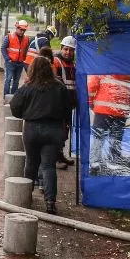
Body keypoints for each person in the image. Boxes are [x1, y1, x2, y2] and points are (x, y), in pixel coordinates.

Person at [9, 55, 73, 213]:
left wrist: (25, 114)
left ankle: (26, 195)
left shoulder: (28, 87)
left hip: (31, 128)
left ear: (32, 69)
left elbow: (14, 106)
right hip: (53, 129)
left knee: (31, 163)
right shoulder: (59, 87)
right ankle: (50, 202)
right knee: (48, 166)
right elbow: (68, 108)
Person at [87, 73, 130, 169]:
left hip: (103, 108)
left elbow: (92, 85)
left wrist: (90, 101)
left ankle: (94, 161)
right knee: (116, 136)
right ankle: (113, 161)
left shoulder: (103, 68)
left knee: (99, 135)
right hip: (121, 110)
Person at [53, 36, 78, 169]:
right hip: (58, 105)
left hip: (68, 105)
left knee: (65, 131)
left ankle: (60, 155)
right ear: (61, 49)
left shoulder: (71, 65)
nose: (68, 52)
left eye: (71, 50)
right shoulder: (56, 62)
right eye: (66, 49)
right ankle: (56, 159)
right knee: (58, 132)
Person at [0, 20, 32, 95]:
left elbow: (27, 50)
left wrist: (25, 60)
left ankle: (14, 96)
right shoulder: (9, 37)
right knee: (8, 79)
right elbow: (3, 48)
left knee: (16, 81)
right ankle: (6, 96)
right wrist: (7, 58)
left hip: (20, 63)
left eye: (24, 30)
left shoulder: (26, 39)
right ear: (17, 28)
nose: (22, 32)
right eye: (21, 30)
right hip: (10, 62)